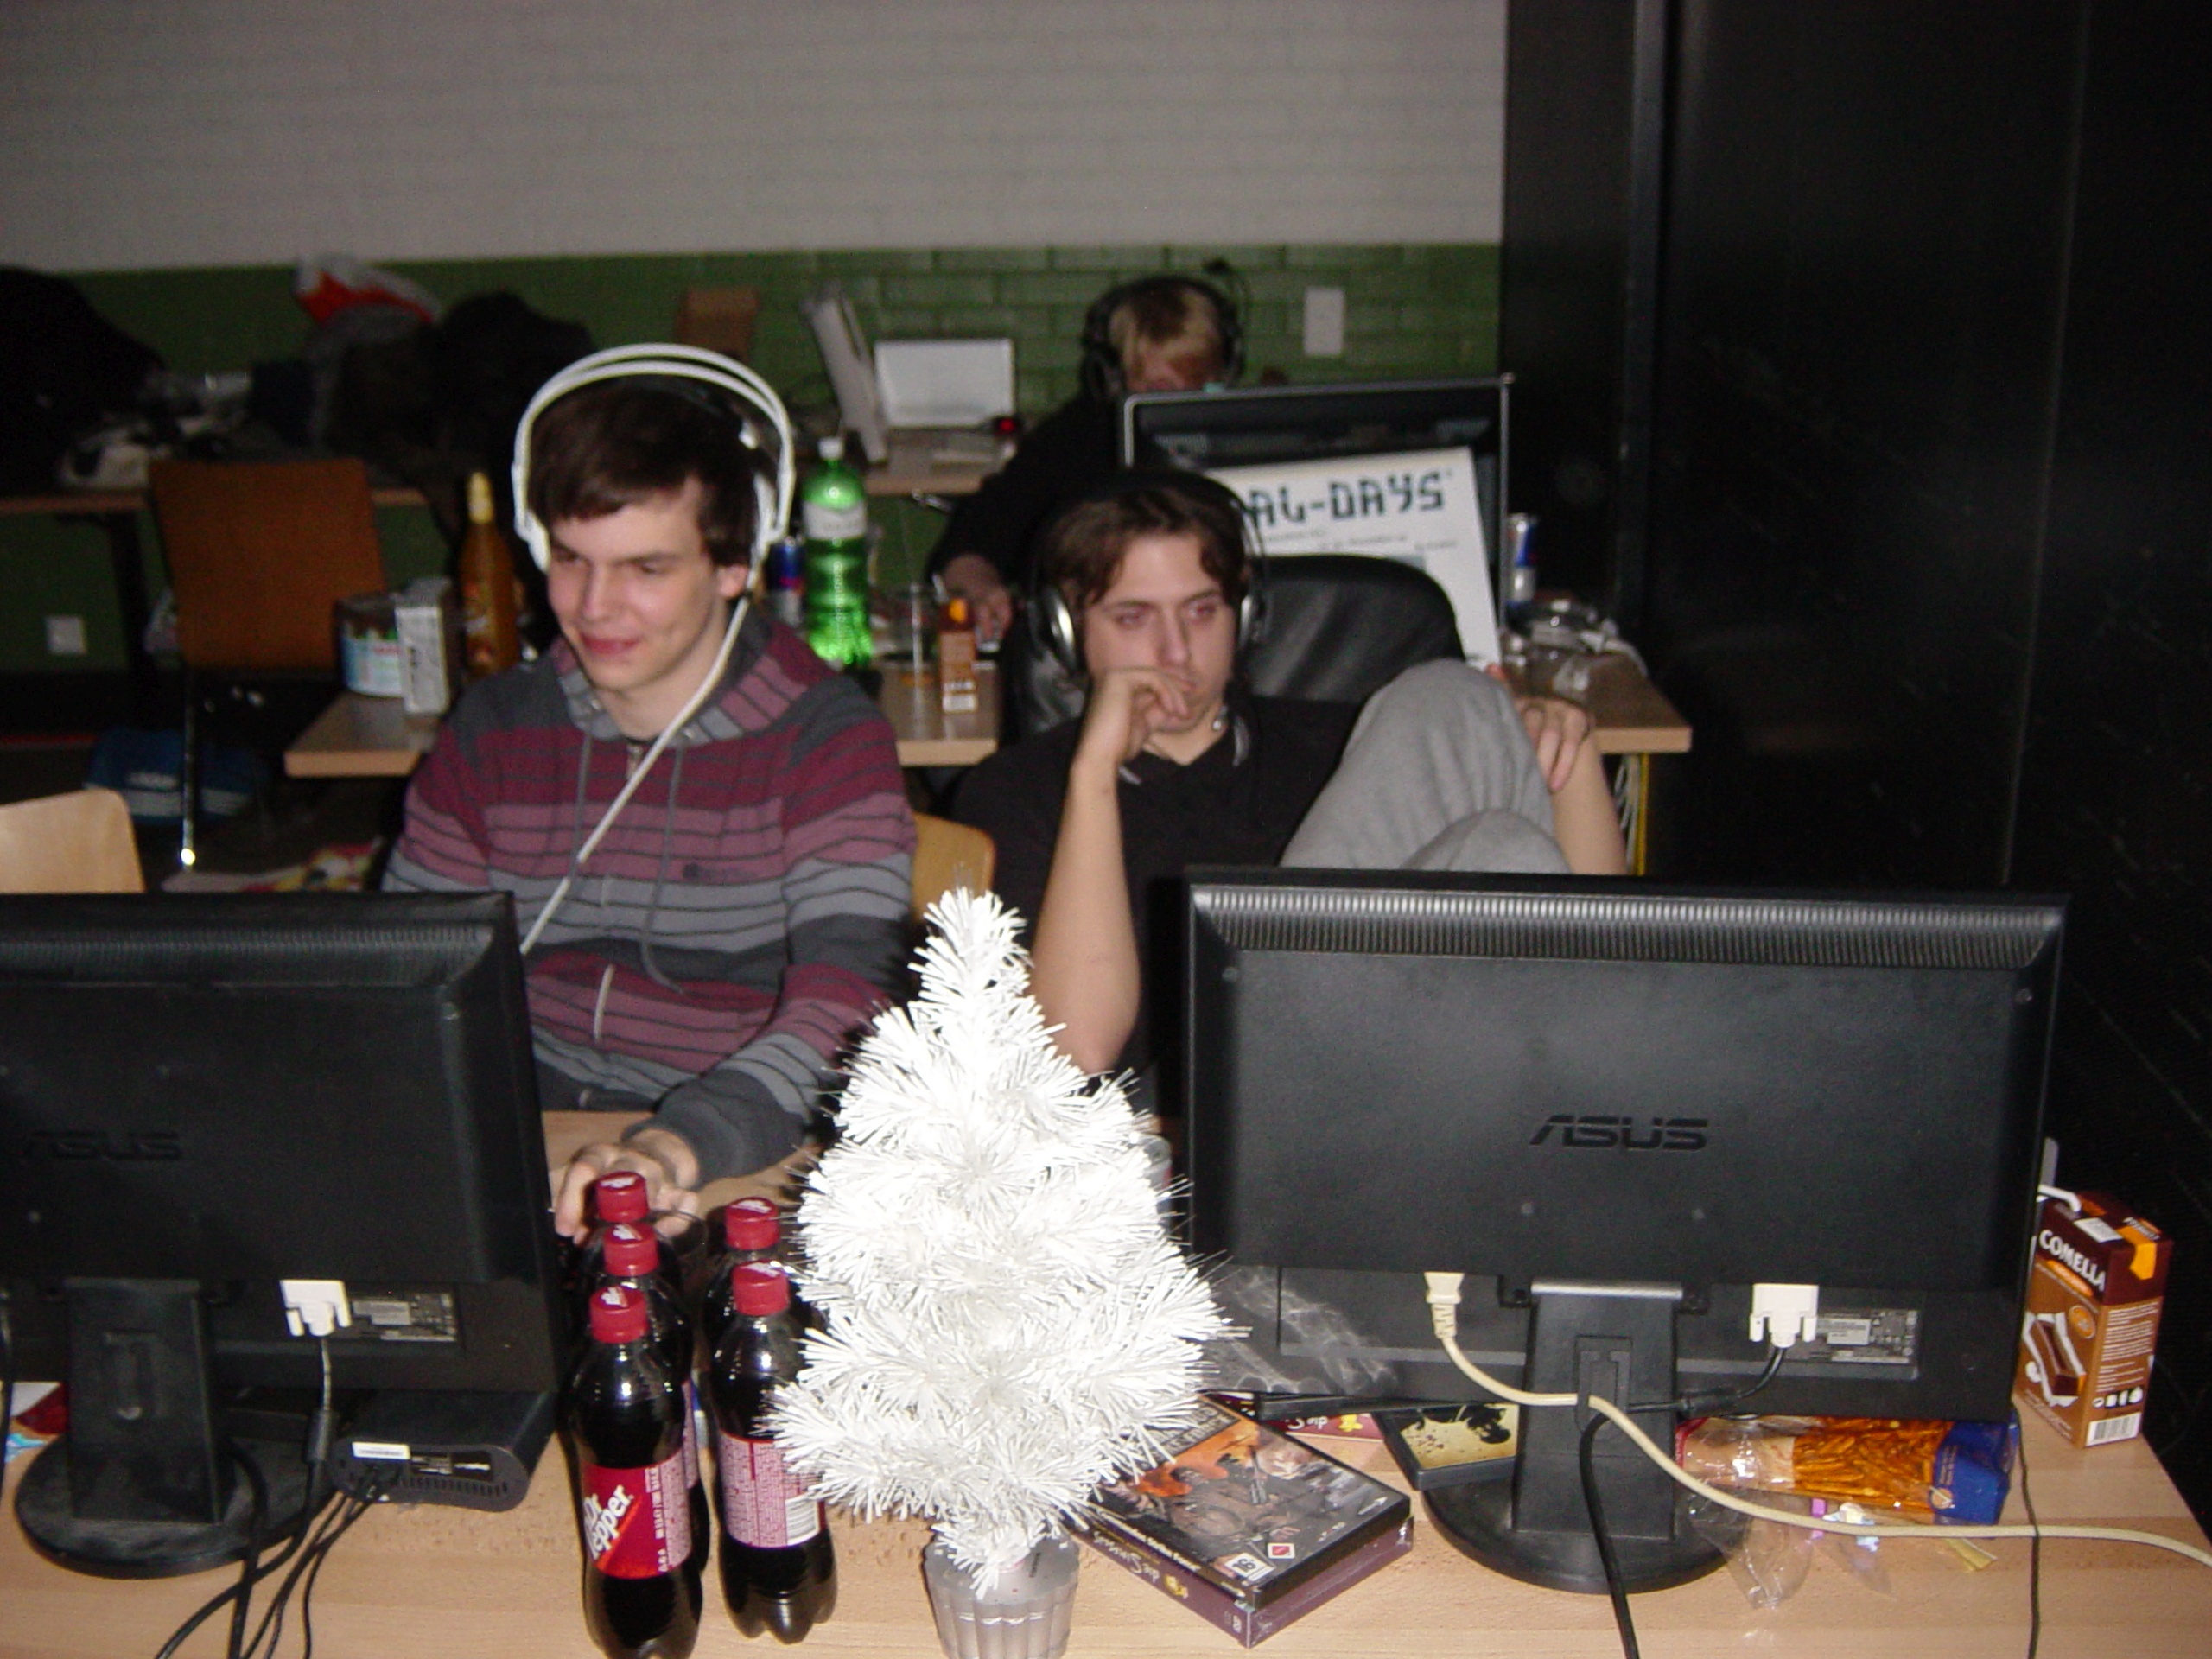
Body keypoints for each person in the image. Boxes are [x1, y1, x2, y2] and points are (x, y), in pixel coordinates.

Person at [385, 371, 914, 1237]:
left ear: (735, 565)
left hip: (728, 1152)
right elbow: (408, 972)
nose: (594, 607)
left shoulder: (825, 741)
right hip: (521, 1130)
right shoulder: (495, 729)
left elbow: (848, 1004)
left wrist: (672, 1148)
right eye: (570, 560)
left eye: (646, 568)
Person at [953, 474, 1625, 1078]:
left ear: (1244, 616)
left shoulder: (1351, 749)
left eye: (1202, 610)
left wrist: (1568, 750)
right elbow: (1076, 1050)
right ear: (1068, 632)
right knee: (1456, 703)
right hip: (1183, 1125)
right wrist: (1095, 772)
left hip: (1398, 1083)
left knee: (1496, 820)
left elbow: (1615, 967)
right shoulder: (1018, 790)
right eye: (1133, 617)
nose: (1176, 652)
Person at [930, 275, 1237, 644]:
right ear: (1111, 378)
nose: (1170, 404)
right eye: (1152, 388)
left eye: (1194, 383)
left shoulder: (1249, 437)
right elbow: (980, 533)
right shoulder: (1075, 439)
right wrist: (976, 587)